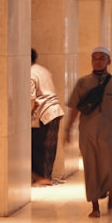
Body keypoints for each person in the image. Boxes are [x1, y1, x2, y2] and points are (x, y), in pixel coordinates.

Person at [64, 47, 112, 218]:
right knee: (92, 168)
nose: (98, 61)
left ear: (109, 61)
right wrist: (68, 129)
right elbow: (74, 109)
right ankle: (95, 206)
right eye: (95, 58)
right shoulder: (83, 83)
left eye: (102, 58)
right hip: (90, 133)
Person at [30, 48, 65, 187]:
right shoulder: (42, 70)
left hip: (44, 112)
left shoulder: (30, 73)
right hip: (54, 110)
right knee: (49, 147)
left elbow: (31, 100)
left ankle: (43, 178)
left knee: (39, 147)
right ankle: (46, 176)